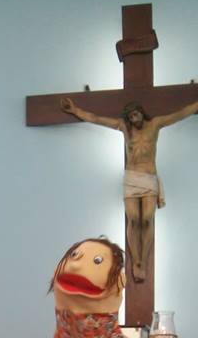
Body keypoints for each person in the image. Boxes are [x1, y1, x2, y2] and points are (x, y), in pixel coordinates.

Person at [60, 96, 198, 282]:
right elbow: (97, 119)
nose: (134, 119)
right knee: (133, 219)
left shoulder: (155, 124)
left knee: (147, 218)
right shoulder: (125, 128)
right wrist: (76, 110)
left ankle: (143, 260)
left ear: (141, 112)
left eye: (136, 114)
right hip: (131, 178)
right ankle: (135, 260)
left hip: (148, 177)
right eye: (131, 117)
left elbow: (179, 114)